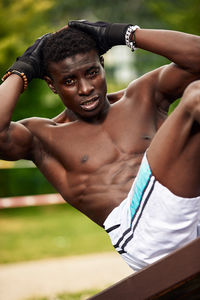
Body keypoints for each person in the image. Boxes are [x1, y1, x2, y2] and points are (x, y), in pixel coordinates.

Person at [0, 20, 200, 271]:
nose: (86, 88)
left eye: (92, 73)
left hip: (191, 210)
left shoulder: (142, 96)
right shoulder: (44, 137)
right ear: (52, 85)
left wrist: (123, 33)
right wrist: (22, 70)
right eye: (69, 81)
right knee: (196, 95)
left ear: (102, 66)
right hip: (144, 236)